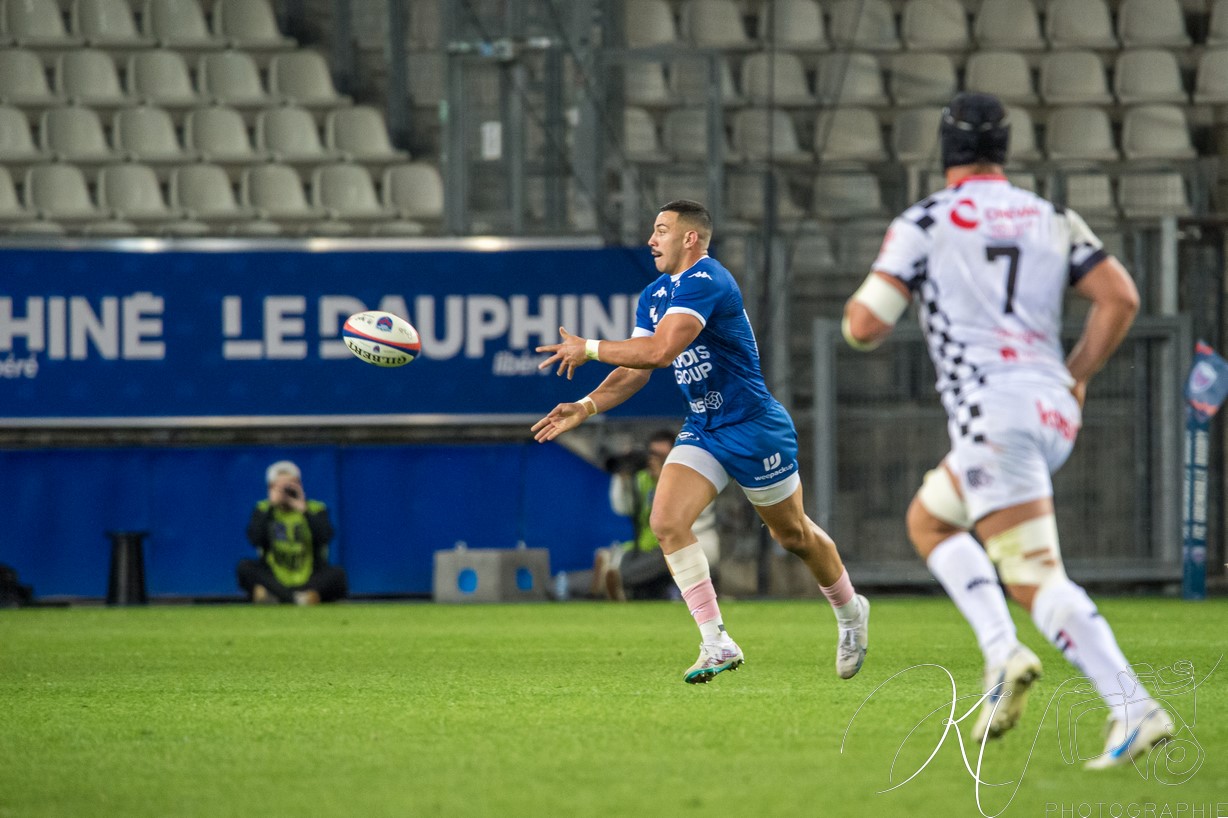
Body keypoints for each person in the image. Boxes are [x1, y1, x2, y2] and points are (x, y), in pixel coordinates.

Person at [842, 92, 1172, 767]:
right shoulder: (1050, 216)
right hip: (1050, 409)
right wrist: (1077, 373)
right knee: (930, 520)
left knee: (1033, 576)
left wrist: (857, 312)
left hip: (995, 414)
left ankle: (1133, 707)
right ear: (1004, 148)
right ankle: (1002, 653)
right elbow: (1121, 296)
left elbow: (866, 326)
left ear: (944, 150)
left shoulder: (927, 220)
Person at [533, 199, 869, 684]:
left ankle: (850, 612)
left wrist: (588, 347)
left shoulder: (709, 281)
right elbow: (636, 369)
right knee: (667, 521)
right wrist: (585, 407)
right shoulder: (653, 293)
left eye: (661, 230)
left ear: (690, 238)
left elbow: (662, 351)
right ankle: (716, 642)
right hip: (706, 427)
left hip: (753, 426)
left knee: (791, 534)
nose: (652, 239)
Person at [595, 429, 721, 601]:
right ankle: (613, 582)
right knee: (623, 555)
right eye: (653, 454)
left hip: (695, 541)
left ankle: (621, 580)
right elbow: (622, 508)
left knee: (666, 556)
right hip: (654, 545)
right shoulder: (645, 478)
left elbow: (679, 513)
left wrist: (664, 476)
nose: (656, 460)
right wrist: (623, 478)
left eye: (662, 456)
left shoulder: (692, 473)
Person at [237, 460, 348, 605]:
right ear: (270, 488)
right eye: (280, 487)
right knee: (244, 567)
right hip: (274, 577)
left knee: (337, 575)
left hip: (309, 577)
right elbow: (255, 539)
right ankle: (300, 598)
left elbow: (325, 537)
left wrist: (304, 510)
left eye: (290, 486)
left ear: (299, 485)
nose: (285, 492)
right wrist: (272, 506)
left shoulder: (315, 509)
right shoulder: (263, 509)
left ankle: (277, 597)